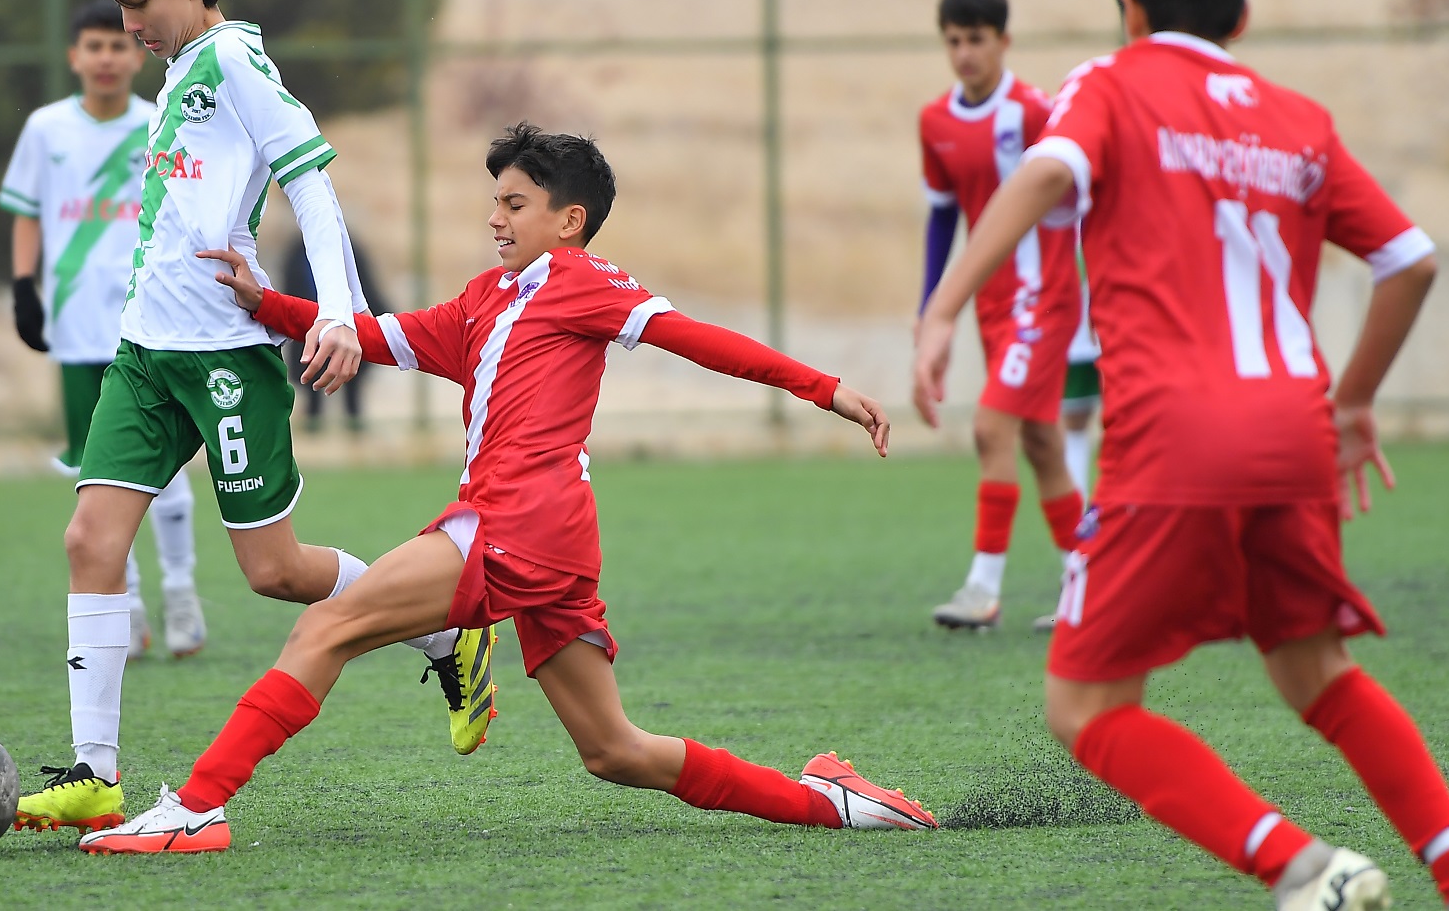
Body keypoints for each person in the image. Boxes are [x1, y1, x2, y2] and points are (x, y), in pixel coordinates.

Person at [76, 123, 937, 854]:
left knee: (327, 625)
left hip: (514, 526)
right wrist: (270, 304)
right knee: (614, 751)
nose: (495, 218)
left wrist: (824, 388)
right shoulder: (486, 301)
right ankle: (834, 801)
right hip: (549, 539)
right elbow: (383, 336)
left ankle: (193, 811)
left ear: (571, 220)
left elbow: (698, 339)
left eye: (514, 204)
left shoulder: (585, 284)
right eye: (493, 202)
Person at [913, 0, 1449, 911]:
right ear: (1242, 16)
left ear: (1127, 11)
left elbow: (1045, 174)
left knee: (1083, 705)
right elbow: (1408, 261)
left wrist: (942, 311)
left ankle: (1300, 867)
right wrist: (1352, 403)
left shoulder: (1110, 82)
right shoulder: (1296, 119)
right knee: (1319, 673)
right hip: (1294, 433)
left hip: (1172, 439)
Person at [13, 0, 492, 838]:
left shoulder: (233, 58)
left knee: (273, 572)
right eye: (118, 1)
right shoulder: (184, 62)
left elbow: (311, 183)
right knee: (88, 543)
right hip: (148, 350)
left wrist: (344, 316)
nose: (129, 22)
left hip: (226, 356)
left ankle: (446, 629)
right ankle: (94, 775)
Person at [1, 0, 206, 663]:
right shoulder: (46, 129)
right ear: (74, 57)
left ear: (133, 52)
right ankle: (132, 605)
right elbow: (28, 212)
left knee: (165, 469)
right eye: (93, 47)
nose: (107, 58)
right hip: (77, 327)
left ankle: (181, 595)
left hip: (152, 320)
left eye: (116, 46)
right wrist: (23, 286)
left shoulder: (160, 125)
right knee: (100, 476)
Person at [917, 0, 1085, 632]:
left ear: (1002, 42)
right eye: (953, 41)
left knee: (991, 429)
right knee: (1041, 443)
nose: (963, 53)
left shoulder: (1037, 113)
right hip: (990, 306)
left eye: (976, 40)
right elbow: (941, 220)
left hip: (1041, 299)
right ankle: (1092, 585)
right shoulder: (934, 121)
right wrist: (931, 309)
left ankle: (982, 588)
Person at [278, 235, 388, 432]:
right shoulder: (297, 253)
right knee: (312, 387)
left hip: (350, 328)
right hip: (309, 332)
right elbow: (289, 290)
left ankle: (355, 430)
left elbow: (365, 286)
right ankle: (314, 432)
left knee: (353, 388)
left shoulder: (349, 249)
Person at [1060, 249, 1101, 503]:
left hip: (1125, 310)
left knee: (1130, 415)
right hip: (1073, 319)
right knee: (1074, 418)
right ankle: (1075, 530)